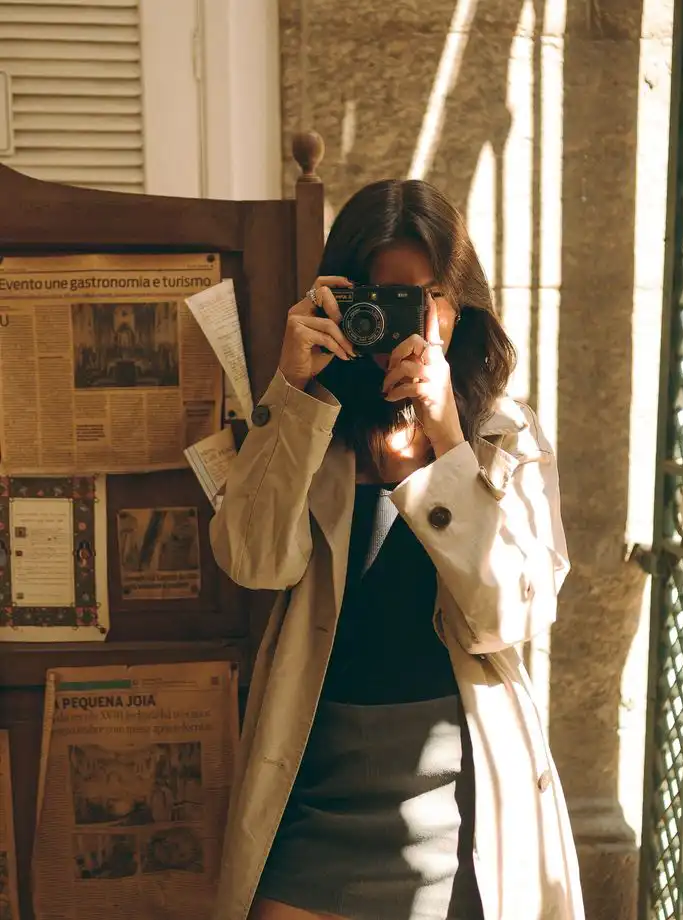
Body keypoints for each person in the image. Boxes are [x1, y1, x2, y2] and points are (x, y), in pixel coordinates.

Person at [210, 180, 586, 920]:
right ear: (341, 300)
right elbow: (254, 561)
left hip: (462, 796)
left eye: (427, 299)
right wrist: (291, 391)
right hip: (313, 783)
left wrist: (448, 445)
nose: (410, 324)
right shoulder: (314, 425)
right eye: (381, 299)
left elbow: (506, 615)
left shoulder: (505, 436)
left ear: (460, 304)